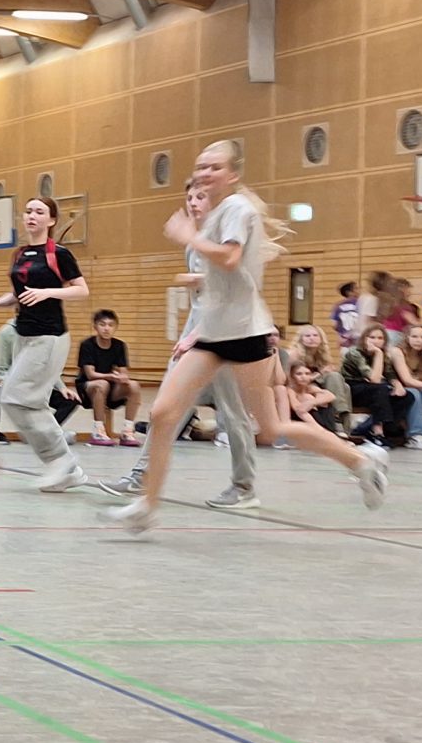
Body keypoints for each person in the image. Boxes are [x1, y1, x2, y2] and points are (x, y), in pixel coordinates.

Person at [105, 141, 386, 532]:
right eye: (201, 166)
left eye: (215, 167)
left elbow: (230, 258)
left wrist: (189, 237)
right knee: (163, 413)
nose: (205, 173)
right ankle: (147, 506)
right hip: (212, 334)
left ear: (232, 174)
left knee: (271, 429)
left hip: (246, 335)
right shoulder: (215, 215)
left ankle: (361, 462)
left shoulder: (237, 209)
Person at [98, 182, 261, 512]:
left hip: (226, 334)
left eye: (200, 196)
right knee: (165, 407)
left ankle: (244, 486)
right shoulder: (193, 245)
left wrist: (197, 332)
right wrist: (190, 331)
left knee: (233, 413)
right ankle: (142, 476)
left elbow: (230, 296)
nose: (193, 203)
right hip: (197, 332)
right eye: (189, 197)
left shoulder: (224, 241)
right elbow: (202, 300)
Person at [0, 197, 90, 493]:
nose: (32, 215)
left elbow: (81, 290)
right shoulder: (20, 254)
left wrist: (48, 292)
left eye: (39, 212)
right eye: (28, 211)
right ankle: (68, 469)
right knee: (33, 402)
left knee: (12, 397)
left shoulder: (59, 254)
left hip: (49, 336)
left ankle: (61, 461)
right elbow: (19, 293)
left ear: (51, 220)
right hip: (23, 335)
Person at [75, 309, 138, 446]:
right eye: (102, 324)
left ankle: (127, 431)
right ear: (95, 326)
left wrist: (122, 377)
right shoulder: (87, 345)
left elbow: (123, 372)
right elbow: (90, 374)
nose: (106, 328)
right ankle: (98, 430)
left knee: (134, 386)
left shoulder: (119, 345)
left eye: (110, 325)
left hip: (111, 386)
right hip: (88, 387)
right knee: (101, 384)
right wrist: (111, 376)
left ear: (116, 327)